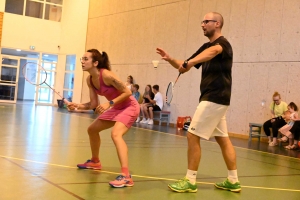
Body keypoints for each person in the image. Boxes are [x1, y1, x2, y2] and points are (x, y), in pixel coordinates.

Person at [156, 12, 241, 193]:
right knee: (223, 139)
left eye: (206, 21)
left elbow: (214, 51)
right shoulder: (205, 46)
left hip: (214, 98)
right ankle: (233, 180)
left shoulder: (222, 44)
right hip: (217, 99)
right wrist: (171, 59)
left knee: (192, 136)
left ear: (217, 24)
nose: (202, 24)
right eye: (201, 21)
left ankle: (190, 180)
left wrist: (191, 61)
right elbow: (183, 66)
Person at [67, 49, 140, 188]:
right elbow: (94, 104)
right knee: (92, 130)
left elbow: (128, 92)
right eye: (82, 59)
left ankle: (126, 176)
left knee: (116, 134)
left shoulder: (106, 75)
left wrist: (110, 103)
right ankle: (95, 161)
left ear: (95, 63)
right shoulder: (90, 80)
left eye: (85, 59)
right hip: (117, 107)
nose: (82, 61)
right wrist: (77, 106)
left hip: (129, 106)